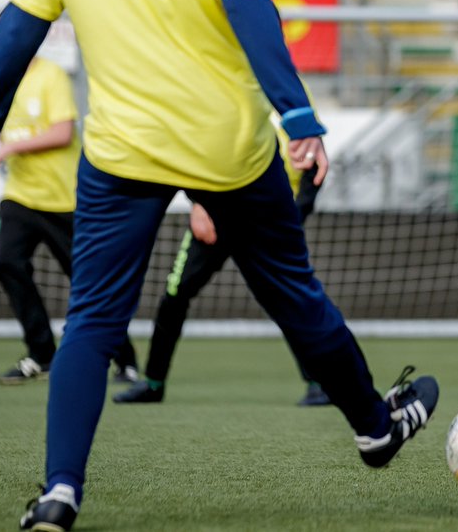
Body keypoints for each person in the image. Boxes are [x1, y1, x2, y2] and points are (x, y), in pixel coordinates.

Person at [0, 0, 438, 529]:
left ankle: (59, 492)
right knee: (294, 293)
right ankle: (376, 427)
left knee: (91, 319)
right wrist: (296, 113)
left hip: (123, 149)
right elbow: (248, 7)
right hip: (225, 147)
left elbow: (19, 24)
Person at [113, 162, 331, 407]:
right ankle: (153, 383)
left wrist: (288, 221)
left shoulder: (296, 127)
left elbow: (314, 176)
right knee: (175, 295)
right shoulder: (231, 123)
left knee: (288, 299)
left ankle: (319, 383)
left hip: (267, 226)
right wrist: (197, 204)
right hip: (215, 221)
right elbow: (200, 157)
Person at [0, 56, 138, 386]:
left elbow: (62, 132)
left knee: (90, 282)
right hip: (20, 196)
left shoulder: (50, 76)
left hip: (64, 201)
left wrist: (9, 148)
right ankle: (42, 354)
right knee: (7, 262)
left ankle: (125, 360)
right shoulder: (1, 77)